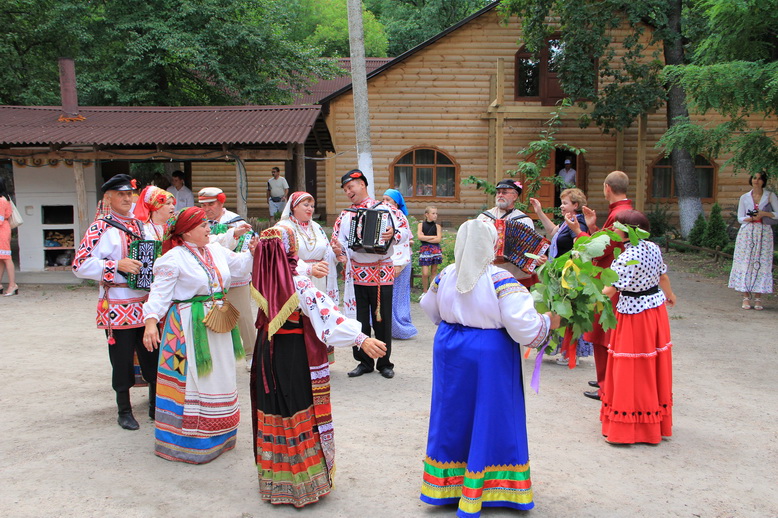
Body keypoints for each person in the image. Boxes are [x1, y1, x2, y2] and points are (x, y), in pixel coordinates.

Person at [419, 219, 560, 516]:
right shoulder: (501, 279)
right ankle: (491, 486)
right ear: (492, 245)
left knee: (451, 413)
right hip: (488, 353)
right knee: (491, 413)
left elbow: (428, 306)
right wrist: (548, 321)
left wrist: (452, 321)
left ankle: (448, 485)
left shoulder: (445, 274)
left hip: (449, 349)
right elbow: (523, 327)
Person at [250, 226, 387, 507]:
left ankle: (276, 479)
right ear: (288, 250)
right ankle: (303, 484)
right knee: (296, 406)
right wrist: (360, 338)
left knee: (275, 406)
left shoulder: (262, 277)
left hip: (266, 351)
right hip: (292, 355)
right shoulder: (296, 283)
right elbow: (326, 316)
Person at [141, 207, 257, 464]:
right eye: (203, 225)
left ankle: (222, 436)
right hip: (189, 324)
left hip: (218, 321)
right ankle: (190, 442)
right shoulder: (173, 259)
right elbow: (159, 294)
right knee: (196, 380)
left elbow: (240, 268)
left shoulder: (215, 250)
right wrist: (150, 323)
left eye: (207, 224)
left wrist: (253, 251)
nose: (208, 228)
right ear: (186, 232)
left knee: (221, 375)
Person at [72, 174, 157, 431]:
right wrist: (114, 265)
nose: (126, 198)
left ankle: (155, 407)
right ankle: (124, 410)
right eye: (120, 194)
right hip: (117, 305)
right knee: (121, 360)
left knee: (151, 356)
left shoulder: (140, 225)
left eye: (129, 194)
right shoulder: (100, 228)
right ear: (107, 197)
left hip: (144, 304)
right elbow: (79, 265)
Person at [601, 210, 676, 445]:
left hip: (634, 314)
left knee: (630, 366)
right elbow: (662, 276)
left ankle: (628, 428)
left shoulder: (626, 257)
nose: (613, 229)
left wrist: (581, 297)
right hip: (655, 311)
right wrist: (670, 296)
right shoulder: (653, 248)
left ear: (629, 230)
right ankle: (652, 424)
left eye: (617, 226)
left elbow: (610, 290)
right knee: (651, 364)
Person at [331, 169, 406, 379]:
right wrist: (338, 251)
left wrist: (394, 233)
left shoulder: (387, 209)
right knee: (360, 319)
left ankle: (384, 363)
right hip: (356, 272)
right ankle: (363, 362)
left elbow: (405, 231)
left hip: (382, 270)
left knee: (381, 319)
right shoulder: (345, 216)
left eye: (350, 187)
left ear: (362, 184)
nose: (348, 192)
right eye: (345, 189)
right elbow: (337, 240)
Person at [576, 170, 633, 400]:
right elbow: (607, 243)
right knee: (603, 333)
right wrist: (592, 227)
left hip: (609, 278)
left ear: (607, 187)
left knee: (602, 334)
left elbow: (602, 248)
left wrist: (579, 233)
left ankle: (605, 385)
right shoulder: (623, 211)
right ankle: (604, 378)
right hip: (614, 275)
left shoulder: (619, 214)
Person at [529, 188, 591, 365]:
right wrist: (539, 211)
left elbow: (579, 249)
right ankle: (566, 351)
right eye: (562, 203)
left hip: (569, 274)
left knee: (569, 313)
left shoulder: (578, 224)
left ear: (576, 205)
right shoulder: (567, 222)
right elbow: (552, 232)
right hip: (559, 273)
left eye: (565, 203)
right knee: (562, 311)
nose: (561, 206)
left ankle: (571, 353)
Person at [198, 187, 256, 369]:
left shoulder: (235, 222)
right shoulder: (199, 222)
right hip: (211, 279)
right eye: (204, 205)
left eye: (211, 204)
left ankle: (251, 354)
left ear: (221, 202)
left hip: (236, 276)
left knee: (243, 317)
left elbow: (247, 248)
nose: (207, 208)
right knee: (212, 316)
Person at [477, 178, 541, 288]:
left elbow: (529, 248)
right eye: (498, 192)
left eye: (505, 192)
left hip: (515, 274)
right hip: (489, 271)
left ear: (515, 196)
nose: (500, 195)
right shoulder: (484, 217)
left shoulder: (523, 220)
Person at [728, 171, 778, 311]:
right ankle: (745, 297)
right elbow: (740, 217)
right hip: (748, 231)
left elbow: (777, 213)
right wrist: (750, 218)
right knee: (746, 262)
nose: (757, 181)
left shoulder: (769, 196)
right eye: (755, 178)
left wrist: (764, 214)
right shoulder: (745, 197)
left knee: (761, 263)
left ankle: (758, 297)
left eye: (760, 179)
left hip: (763, 232)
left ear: (764, 181)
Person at [275, 191, 338, 302]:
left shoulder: (317, 227)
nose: (310, 209)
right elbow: (281, 259)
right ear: (294, 206)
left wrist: (336, 253)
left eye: (312, 206)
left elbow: (327, 253)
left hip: (319, 279)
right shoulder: (283, 228)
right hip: (296, 279)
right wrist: (308, 269)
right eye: (306, 205)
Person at [382, 188, 417, 339]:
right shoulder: (384, 217)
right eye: (383, 199)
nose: (385, 203)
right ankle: (385, 327)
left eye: (388, 200)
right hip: (389, 261)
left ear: (396, 203)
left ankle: (400, 328)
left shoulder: (400, 216)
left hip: (400, 263)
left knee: (398, 297)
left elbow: (403, 242)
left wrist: (398, 265)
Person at [417, 206, 443, 293]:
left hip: (435, 249)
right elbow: (420, 237)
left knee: (434, 271)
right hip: (425, 249)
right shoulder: (421, 225)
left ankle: (432, 291)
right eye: (433, 213)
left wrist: (426, 237)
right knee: (425, 273)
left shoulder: (437, 226)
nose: (435, 215)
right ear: (427, 215)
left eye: (436, 213)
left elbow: (438, 239)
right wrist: (433, 237)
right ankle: (425, 291)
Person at [0, 177, 18, 297]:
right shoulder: (5, 199)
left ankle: (12, 284)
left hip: (2, 230)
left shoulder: (1, 201)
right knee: (2, 258)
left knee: (6, 258)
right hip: (3, 229)